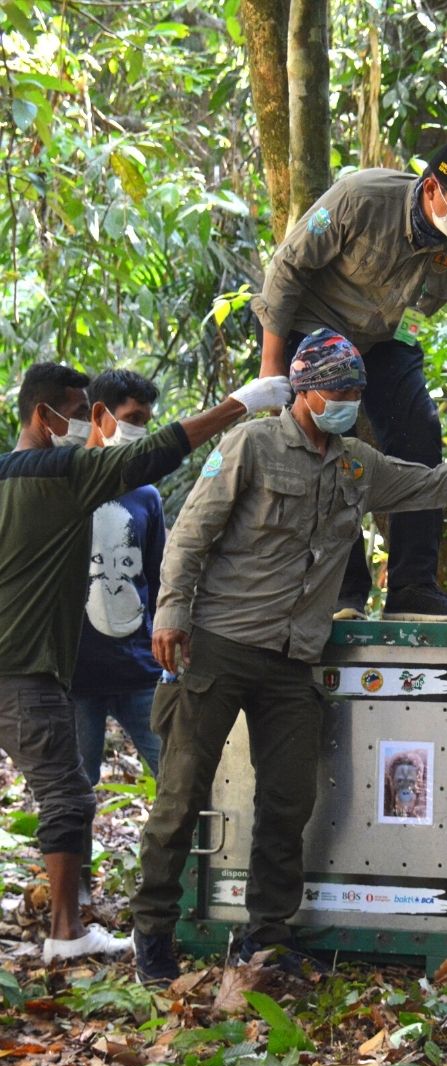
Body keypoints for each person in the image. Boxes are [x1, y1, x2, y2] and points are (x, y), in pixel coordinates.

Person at [130, 329, 447, 985]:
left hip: (291, 660)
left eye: (354, 394)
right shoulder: (250, 444)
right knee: (180, 798)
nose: (346, 403)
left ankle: (266, 939)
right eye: (337, 392)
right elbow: (190, 535)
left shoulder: (356, 464)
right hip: (221, 646)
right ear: (304, 392)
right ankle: (153, 940)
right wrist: (170, 611)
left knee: (288, 804)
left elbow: (435, 485)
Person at [0, 361, 292, 963]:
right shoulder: (62, 473)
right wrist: (241, 402)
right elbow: (151, 455)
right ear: (43, 416)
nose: (87, 426)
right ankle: (65, 935)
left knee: (75, 790)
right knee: (68, 795)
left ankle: (71, 927)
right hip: (27, 669)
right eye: (80, 415)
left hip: (55, 665)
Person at [252, 135, 447, 622]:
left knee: (418, 430)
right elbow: (288, 267)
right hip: (310, 329)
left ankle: (412, 587)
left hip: (386, 339)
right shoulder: (361, 197)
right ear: (432, 188)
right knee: (325, 443)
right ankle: (341, 592)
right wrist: (272, 369)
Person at [69, 370, 167, 901]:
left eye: (147, 424)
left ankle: (176, 883)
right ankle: (75, 892)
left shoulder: (147, 496)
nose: (140, 432)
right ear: (101, 414)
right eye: (132, 421)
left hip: (137, 668)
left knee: (178, 775)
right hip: (76, 674)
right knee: (75, 793)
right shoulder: (64, 484)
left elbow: (154, 576)